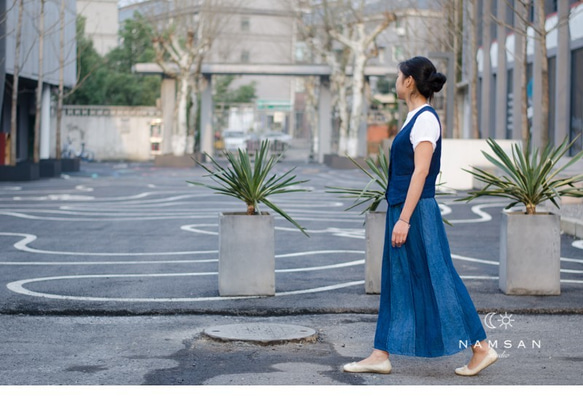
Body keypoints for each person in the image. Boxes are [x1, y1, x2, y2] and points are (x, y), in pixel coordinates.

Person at [343, 56, 498, 376]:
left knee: (439, 276)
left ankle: (480, 347)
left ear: (409, 81)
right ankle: (380, 353)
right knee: (397, 277)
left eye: (398, 76)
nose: (395, 82)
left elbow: (422, 170)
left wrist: (404, 219)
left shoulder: (425, 119)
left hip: (415, 211)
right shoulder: (415, 116)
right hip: (406, 207)